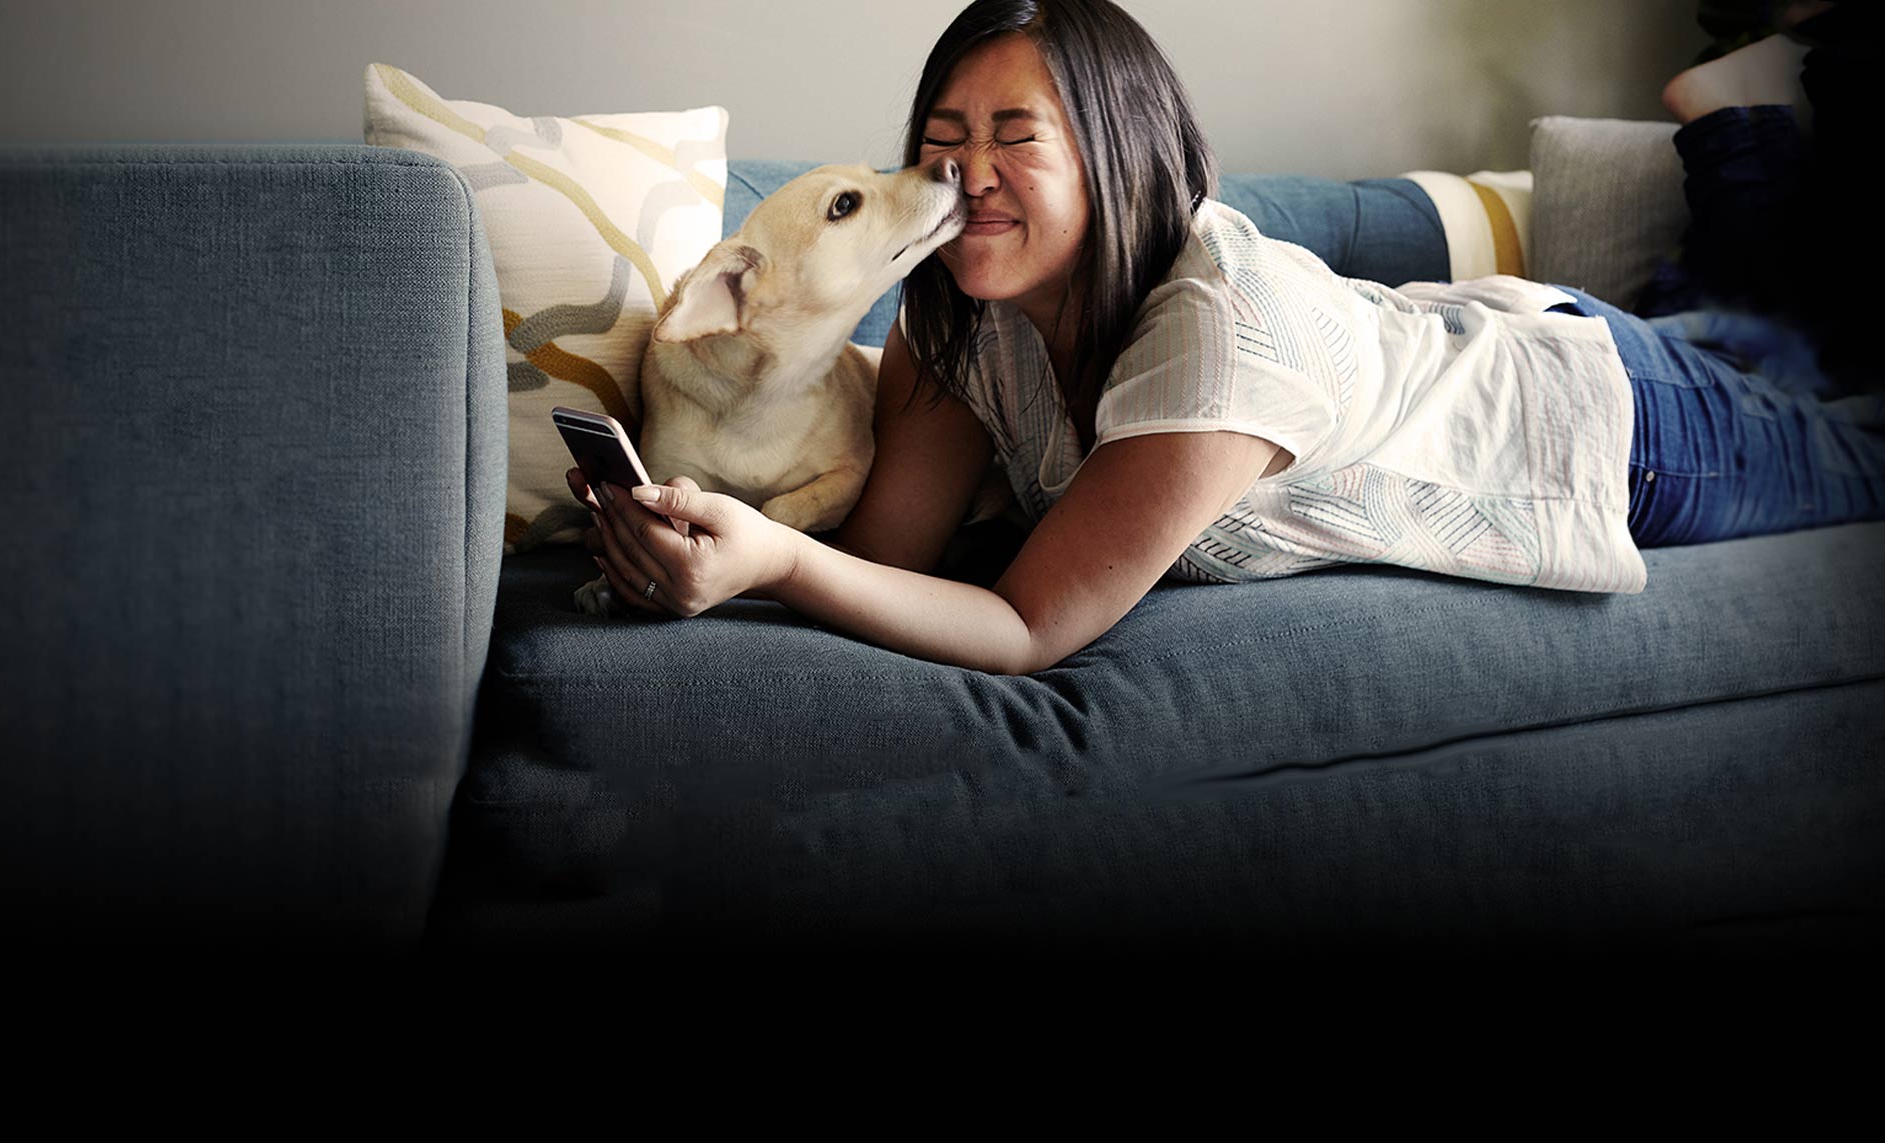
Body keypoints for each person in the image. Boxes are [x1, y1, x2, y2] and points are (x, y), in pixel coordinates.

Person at [574, 0, 1885, 676]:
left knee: (1845, 414)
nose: (965, 179)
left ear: (1120, 154)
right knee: (1760, 329)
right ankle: (1739, 132)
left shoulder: (1215, 339)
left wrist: (771, 568)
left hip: (1607, 420)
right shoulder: (953, 320)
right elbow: (887, 564)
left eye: (1013, 141)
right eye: (941, 145)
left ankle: (1742, 131)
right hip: (1457, 336)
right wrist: (712, 549)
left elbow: (1028, 627)